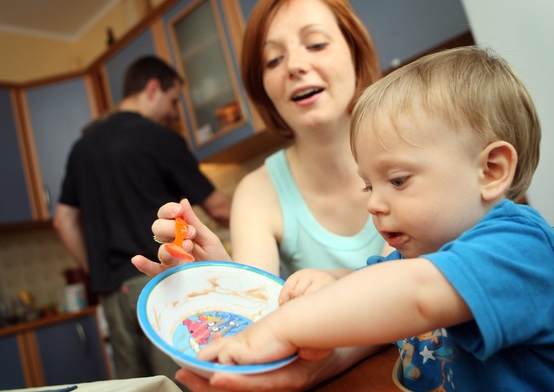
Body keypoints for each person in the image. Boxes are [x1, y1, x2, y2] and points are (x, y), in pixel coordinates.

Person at [196, 46, 554, 390]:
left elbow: (418, 293)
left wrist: (281, 328)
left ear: (491, 171)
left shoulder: (520, 249)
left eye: (397, 180)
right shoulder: (418, 256)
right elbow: (370, 280)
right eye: (369, 186)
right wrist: (328, 281)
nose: (373, 204)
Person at [133, 0, 392, 389]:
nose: (294, 66)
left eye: (316, 44)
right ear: (263, 88)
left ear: (355, 53)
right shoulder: (256, 191)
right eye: (273, 60)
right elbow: (261, 319)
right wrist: (221, 287)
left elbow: (400, 285)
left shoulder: (410, 145)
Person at [53, 56, 231, 385]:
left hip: (111, 296)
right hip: (158, 282)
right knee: (179, 383)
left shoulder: (82, 148)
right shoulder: (160, 138)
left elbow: (63, 221)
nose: (174, 113)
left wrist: (103, 273)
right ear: (152, 89)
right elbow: (219, 208)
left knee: (134, 389)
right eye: (173, 100)